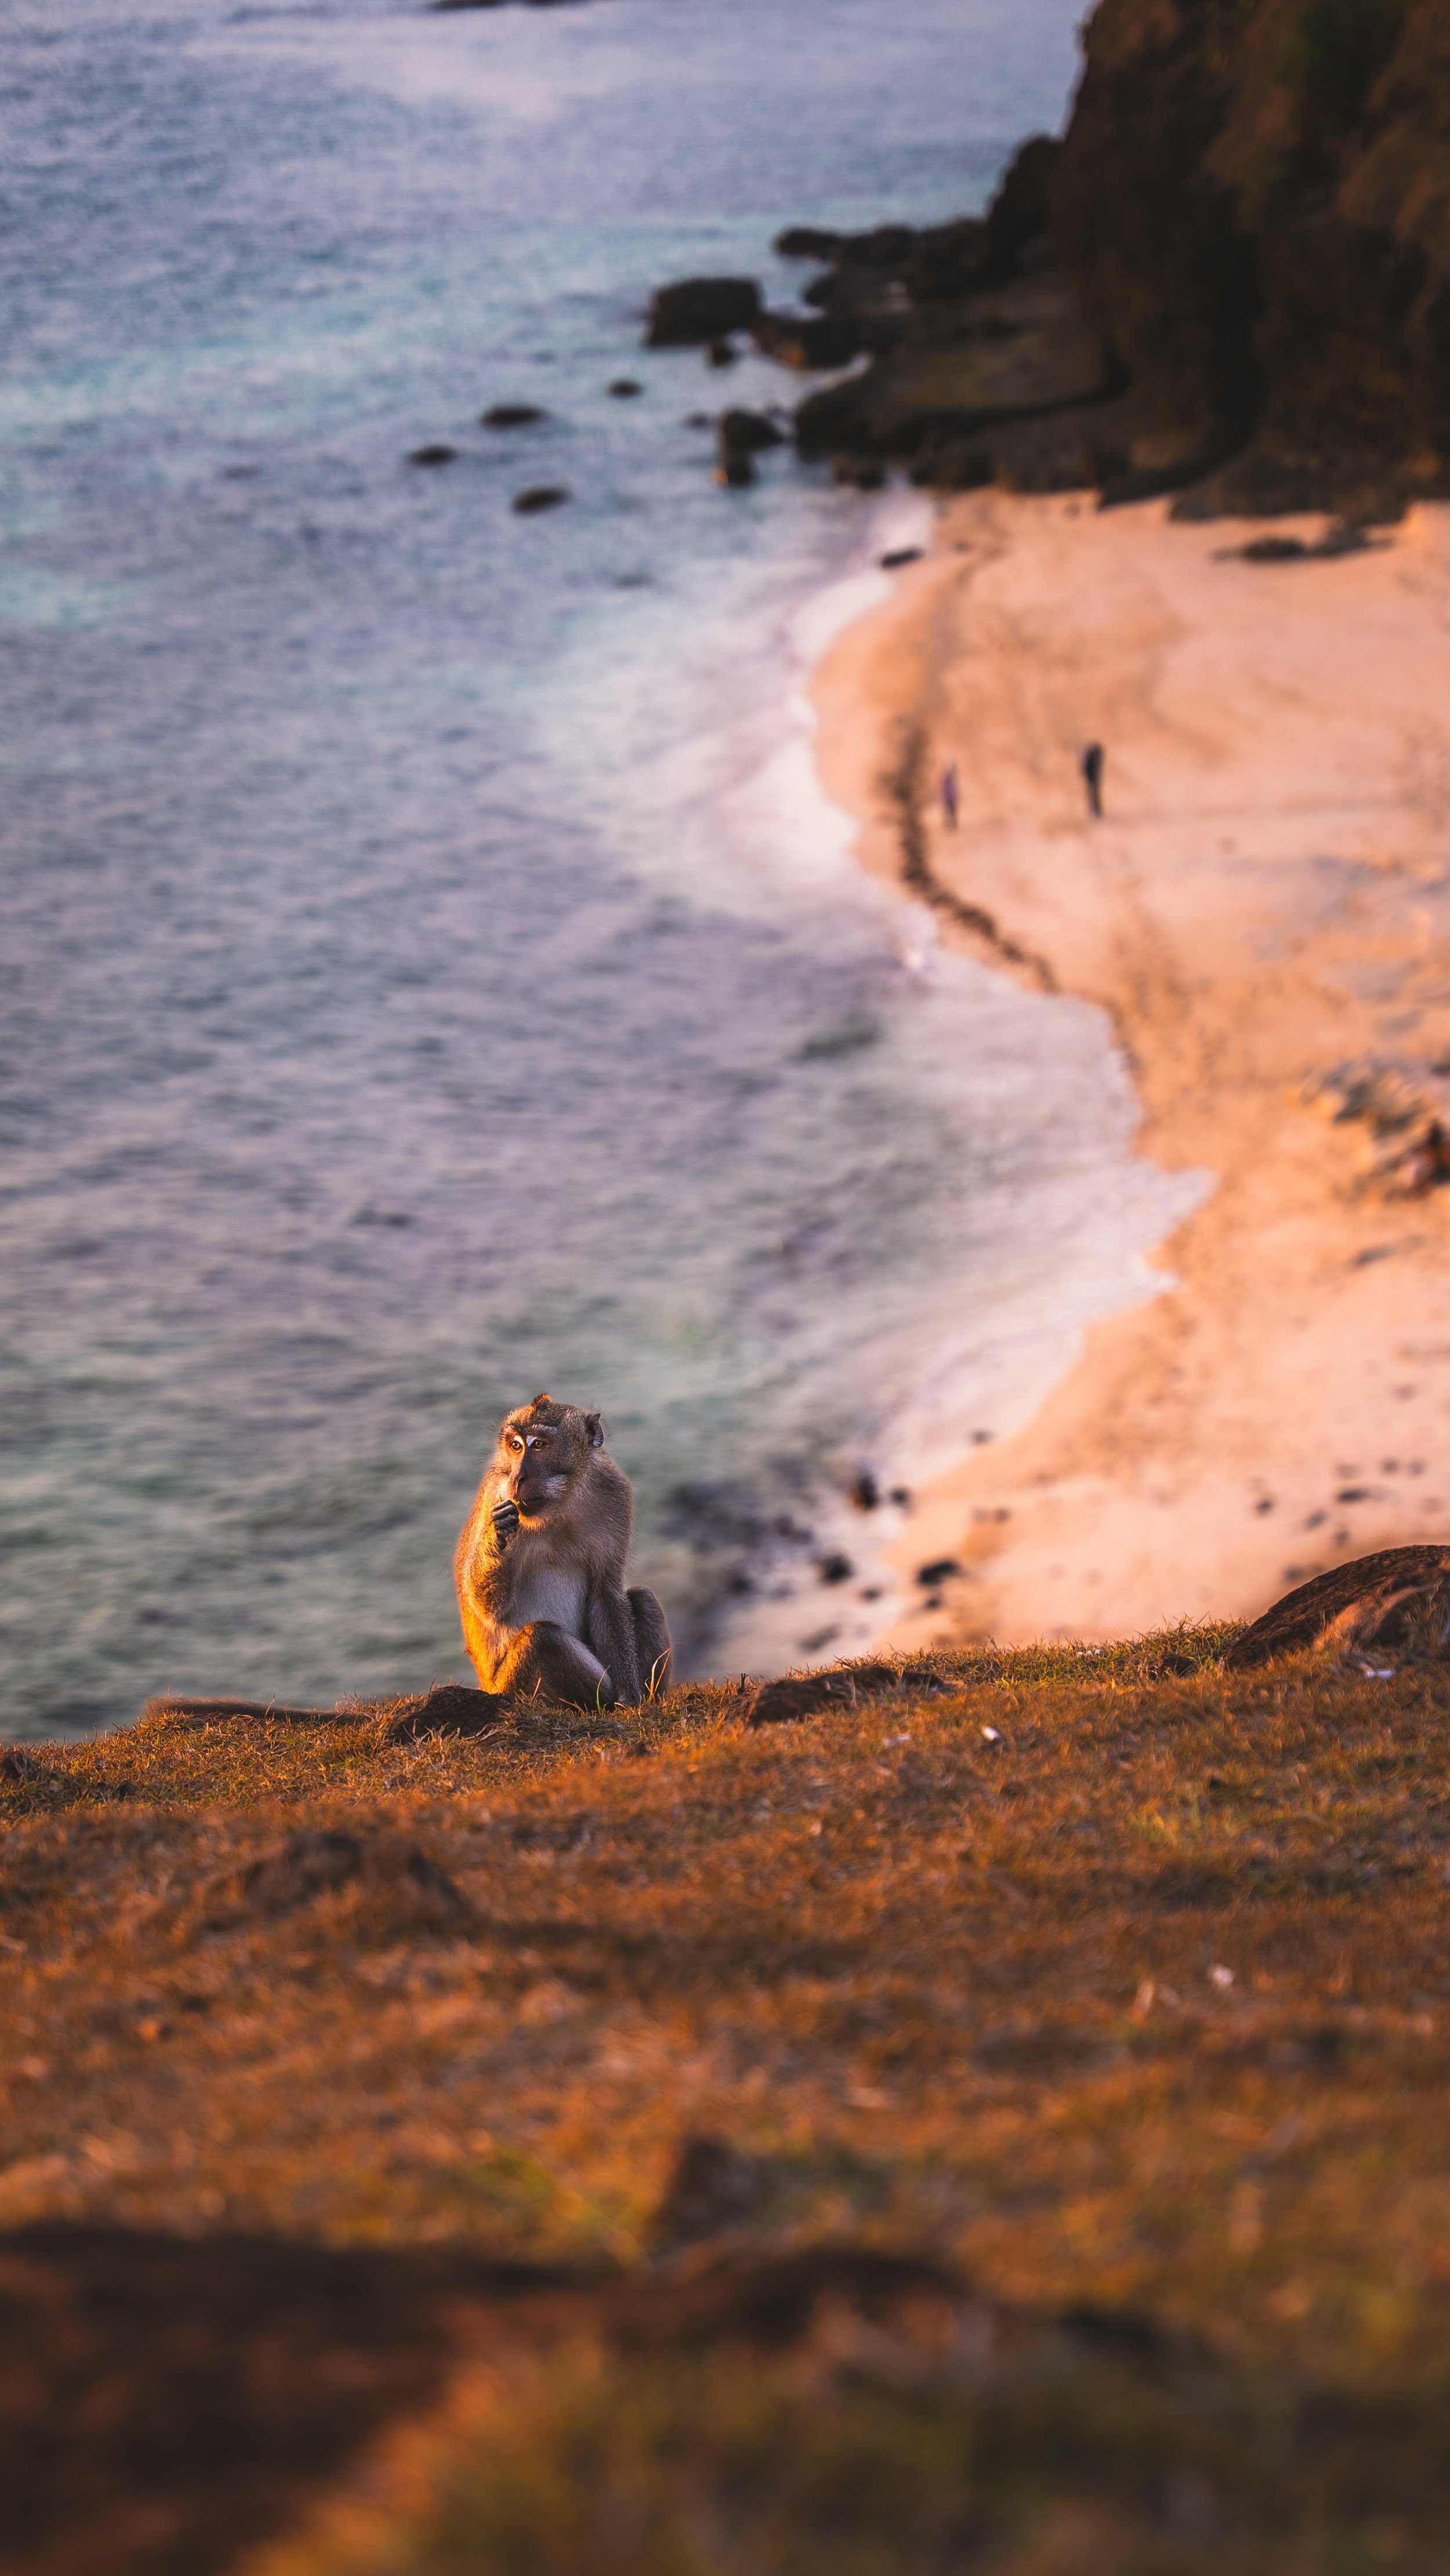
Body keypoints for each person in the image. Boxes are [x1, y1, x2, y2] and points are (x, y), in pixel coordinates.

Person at [1082, 741, 1104, 819]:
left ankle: (1096, 811)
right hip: (1091, 779)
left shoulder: (1095, 759)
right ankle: (1095, 811)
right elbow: (1086, 769)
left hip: (1093, 780)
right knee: (1093, 796)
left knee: (1094, 796)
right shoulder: (1091, 758)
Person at [939, 759, 959, 830]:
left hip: (951, 798)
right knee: (949, 813)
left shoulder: (950, 778)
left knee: (951, 813)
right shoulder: (946, 778)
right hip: (948, 798)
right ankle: (949, 826)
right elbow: (945, 789)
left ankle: (952, 826)